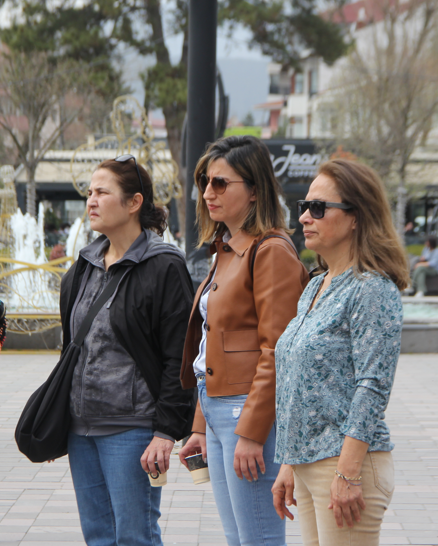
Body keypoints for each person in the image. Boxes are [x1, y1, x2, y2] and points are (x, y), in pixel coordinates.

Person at [178, 135, 309, 546]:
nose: (208, 193)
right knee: (239, 538)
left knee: (259, 539)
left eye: (220, 183)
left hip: (245, 413)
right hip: (218, 410)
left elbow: (276, 350)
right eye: (204, 182)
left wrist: (251, 432)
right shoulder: (227, 249)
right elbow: (213, 345)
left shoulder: (270, 251)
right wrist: (200, 426)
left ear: (254, 190)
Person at [271, 159, 410, 546]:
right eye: (304, 206)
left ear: (356, 218)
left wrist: (347, 473)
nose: (304, 217)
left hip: (347, 467)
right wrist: (289, 462)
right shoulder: (315, 286)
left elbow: (373, 385)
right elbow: (300, 383)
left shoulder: (372, 289)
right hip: (309, 465)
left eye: (318, 208)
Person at [59, 155, 195, 546]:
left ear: (134, 202)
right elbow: (72, 348)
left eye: (102, 192)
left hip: (132, 430)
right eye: (89, 192)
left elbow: (179, 358)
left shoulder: (163, 266)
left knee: (135, 537)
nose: (91, 201)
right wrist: (58, 416)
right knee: (98, 537)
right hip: (80, 429)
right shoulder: (84, 265)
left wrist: (166, 431)